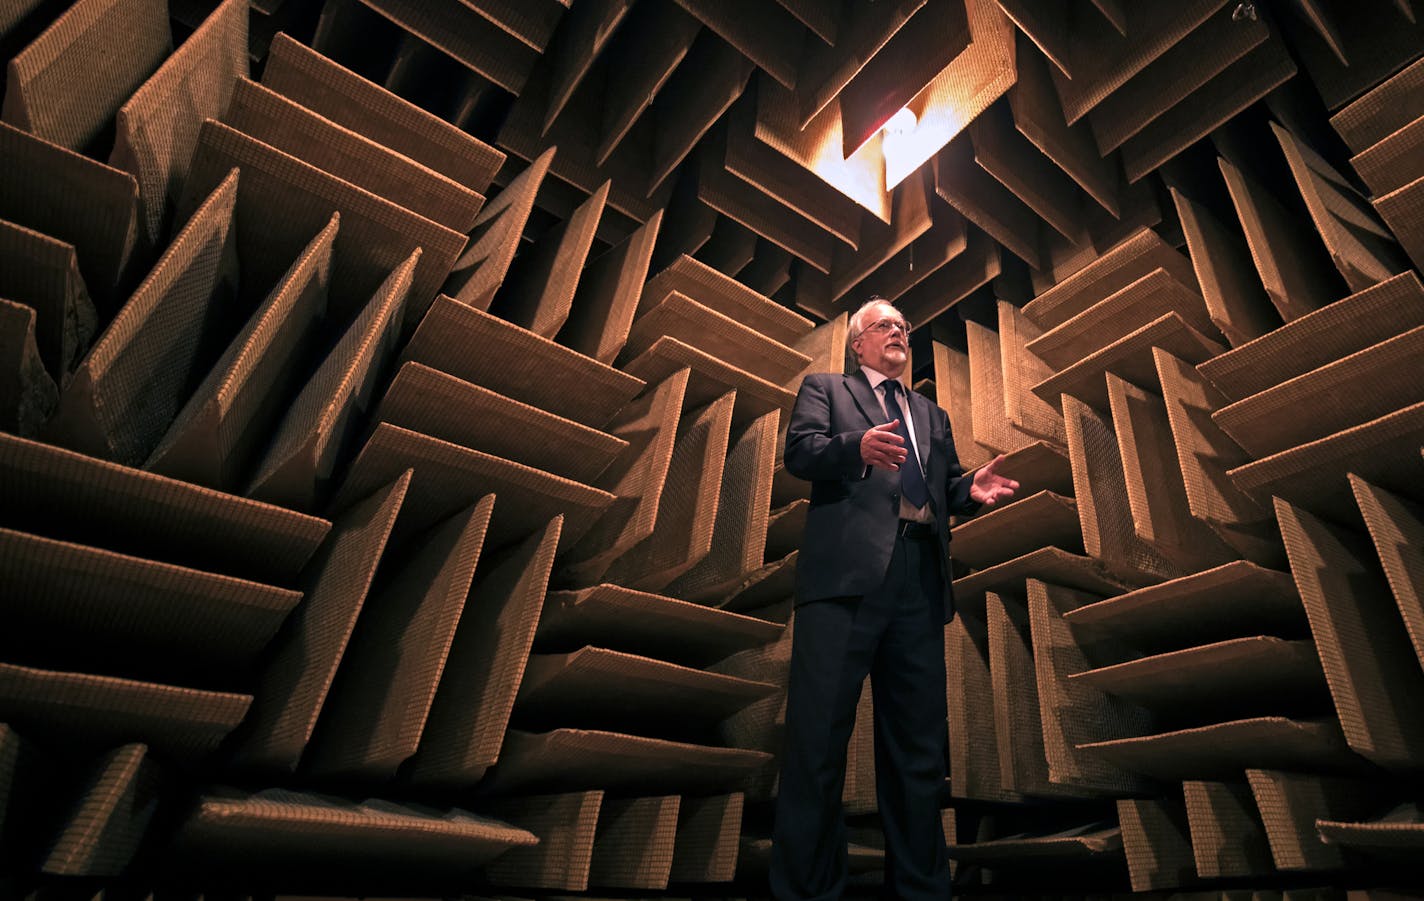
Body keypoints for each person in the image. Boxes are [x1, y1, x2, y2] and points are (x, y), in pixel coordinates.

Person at [771, 296, 1019, 900]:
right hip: (846, 581)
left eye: (904, 327)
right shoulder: (825, 388)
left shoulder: (931, 414)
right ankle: (807, 891)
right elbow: (800, 452)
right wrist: (853, 449)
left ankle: (922, 890)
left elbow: (940, 485)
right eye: (884, 325)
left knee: (917, 750)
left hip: (918, 576)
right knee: (818, 742)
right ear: (857, 343)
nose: (897, 332)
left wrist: (967, 489)